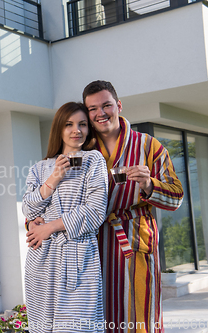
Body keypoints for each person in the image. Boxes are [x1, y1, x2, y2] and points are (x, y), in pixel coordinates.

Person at [82, 80, 184, 333]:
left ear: (118, 105)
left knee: (140, 315)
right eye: (92, 108)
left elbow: (176, 197)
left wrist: (149, 184)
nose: (100, 113)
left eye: (106, 105)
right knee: (95, 317)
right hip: (91, 244)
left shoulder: (149, 146)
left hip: (135, 238)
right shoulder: (81, 148)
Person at [22, 102, 109, 333]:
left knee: (77, 327)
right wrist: (53, 179)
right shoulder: (39, 168)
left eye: (82, 124)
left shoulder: (94, 161)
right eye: (69, 124)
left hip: (79, 259)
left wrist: (49, 227)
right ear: (59, 129)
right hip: (42, 260)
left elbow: (95, 211)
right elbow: (28, 210)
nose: (76, 130)